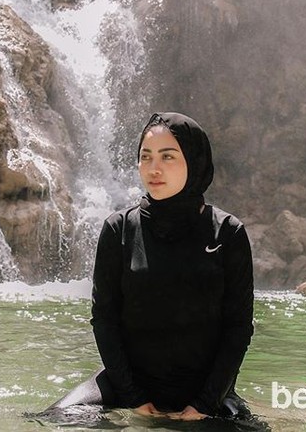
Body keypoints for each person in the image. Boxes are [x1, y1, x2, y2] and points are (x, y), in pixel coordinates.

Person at [51, 111, 255, 422]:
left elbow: (238, 329)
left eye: (167, 157)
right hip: (126, 385)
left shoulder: (228, 232)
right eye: (145, 157)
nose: (153, 167)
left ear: (194, 161)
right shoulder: (118, 229)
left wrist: (204, 403)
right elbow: (104, 320)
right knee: (54, 422)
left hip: (205, 391)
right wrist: (135, 399)